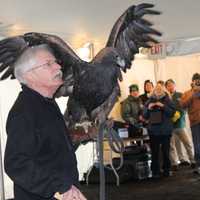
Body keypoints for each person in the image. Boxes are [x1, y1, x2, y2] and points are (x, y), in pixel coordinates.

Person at [4, 44, 87, 200]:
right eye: (48, 64)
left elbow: (47, 148)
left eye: (55, 62)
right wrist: (60, 188)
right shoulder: (25, 111)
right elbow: (16, 163)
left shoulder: (47, 104)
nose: (58, 66)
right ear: (30, 75)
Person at [143, 82, 175, 178]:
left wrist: (163, 106)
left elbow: (172, 113)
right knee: (155, 152)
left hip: (165, 131)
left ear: (163, 90)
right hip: (154, 131)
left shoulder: (168, 100)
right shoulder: (149, 101)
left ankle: (166, 170)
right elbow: (144, 115)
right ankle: (155, 171)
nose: (158, 90)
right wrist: (148, 108)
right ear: (153, 90)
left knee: (166, 151)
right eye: (156, 89)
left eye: (160, 89)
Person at [165, 79, 195, 170]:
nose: (170, 87)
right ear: (166, 87)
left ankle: (193, 160)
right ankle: (174, 163)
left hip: (180, 124)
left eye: (171, 85)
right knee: (171, 145)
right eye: (168, 85)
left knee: (187, 142)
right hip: (169, 126)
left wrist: (178, 115)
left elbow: (185, 107)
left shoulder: (181, 95)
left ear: (175, 85)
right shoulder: (165, 97)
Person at [180, 73, 200, 174]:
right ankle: (198, 166)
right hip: (195, 122)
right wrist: (193, 95)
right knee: (197, 146)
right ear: (192, 81)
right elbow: (182, 105)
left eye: (198, 80)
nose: (197, 81)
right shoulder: (187, 93)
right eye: (195, 80)